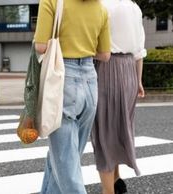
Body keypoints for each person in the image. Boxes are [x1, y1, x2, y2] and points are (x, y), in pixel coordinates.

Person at [34, 0, 111, 193]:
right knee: (65, 157)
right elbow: (105, 54)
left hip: (62, 80)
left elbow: (41, 46)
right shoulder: (101, 8)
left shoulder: (52, 1)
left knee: (66, 164)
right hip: (90, 82)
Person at [91, 0, 147, 193]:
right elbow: (140, 50)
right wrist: (138, 80)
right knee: (121, 128)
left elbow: (95, 44)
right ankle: (117, 181)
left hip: (107, 69)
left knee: (104, 132)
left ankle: (109, 191)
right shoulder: (134, 8)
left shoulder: (101, 6)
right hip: (130, 70)